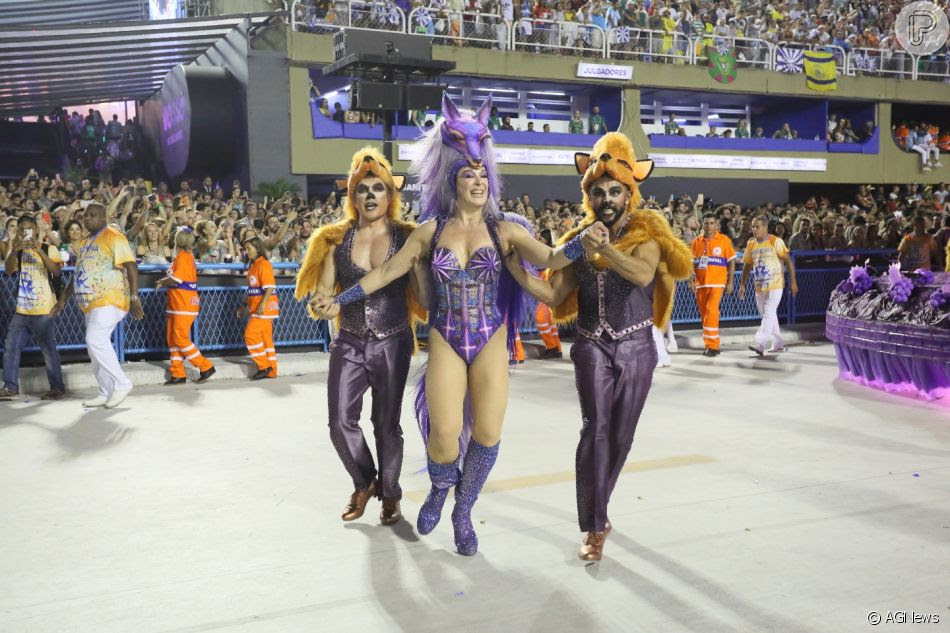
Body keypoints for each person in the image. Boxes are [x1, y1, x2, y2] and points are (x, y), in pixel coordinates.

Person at [314, 95, 590, 556]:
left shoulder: (507, 230)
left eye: (483, 174)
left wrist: (584, 241)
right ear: (452, 179)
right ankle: (441, 487)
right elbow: (383, 273)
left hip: (491, 337)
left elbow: (551, 258)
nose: (478, 180)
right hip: (445, 334)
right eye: (469, 174)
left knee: (487, 431)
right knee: (442, 433)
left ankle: (463, 507)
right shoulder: (430, 231)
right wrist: (337, 301)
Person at [502, 132, 692, 562]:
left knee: (621, 437)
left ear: (629, 193)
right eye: (598, 191)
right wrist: (514, 266)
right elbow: (552, 293)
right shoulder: (580, 237)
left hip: (638, 346)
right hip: (590, 345)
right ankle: (591, 525)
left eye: (614, 191)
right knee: (595, 431)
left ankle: (599, 508)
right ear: (588, 194)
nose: (606, 198)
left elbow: (643, 276)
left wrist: (606, 248)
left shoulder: (647, 230)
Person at [295, 147, 426, 527]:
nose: (370, 196)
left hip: (394, 340)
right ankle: (365, 481)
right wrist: (323, 303)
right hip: (349, 340)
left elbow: (423, 293)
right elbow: (324, 291)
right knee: (339, 422)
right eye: (362, 190)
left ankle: (391, 495)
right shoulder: (334, 240)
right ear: (352, 197)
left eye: (378, 189)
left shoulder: (408, 237)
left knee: (387, 425)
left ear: (390, 194)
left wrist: (420, 270)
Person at [51, 203, 144, 408]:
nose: (87, 219)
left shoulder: (114, 236)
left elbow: (131, 266)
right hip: (89, 302)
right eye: (85, 216)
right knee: (94, 349)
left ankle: (121, 383)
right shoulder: (85, 242)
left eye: (92, 215)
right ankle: (105, 391)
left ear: (103, 218)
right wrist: (63, 299)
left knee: (95, 339)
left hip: (110, 298)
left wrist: (135, 297)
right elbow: (78, 274)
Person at [0, 214, 66, 401]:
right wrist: (15, 250)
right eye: (22, 229)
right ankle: (10, 387)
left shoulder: (48, 247)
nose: (25, 232)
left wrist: (40, 250)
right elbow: (8, 270)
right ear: (19, 232)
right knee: (11, 346)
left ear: (36, 230)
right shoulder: (18, 251)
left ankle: (57, 387)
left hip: (44, 309)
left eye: (29, 228)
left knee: (48, 348)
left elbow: (56, 271)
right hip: (22, 308)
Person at [154, 227, 215, 385]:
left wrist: (162, 282)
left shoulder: (184, 257)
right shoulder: (181, 257)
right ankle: (178, 373)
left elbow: (177, 280)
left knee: (180, 338)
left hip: (184, 303)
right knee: (173, 339)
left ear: (178, 241)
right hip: (176, 304)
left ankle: (205, 366)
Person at [738, 216, 798, 357]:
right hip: (759, 286)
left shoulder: (776, 241)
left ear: (765, 228)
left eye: (757, 226)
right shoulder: (751, 244)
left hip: (775, 284)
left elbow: (788, 262)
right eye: (753, 226)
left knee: (769, 312)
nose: (754, 229)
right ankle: (778, 344)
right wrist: (742, 284)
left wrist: (793, 281)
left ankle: (759, 343)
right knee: (768, 315)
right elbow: (747, 265)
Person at [689, 213, 736, 357]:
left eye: (711, 223)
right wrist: (691, 281)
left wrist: (730, 282)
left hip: (717, 282)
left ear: (716, 225)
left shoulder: (724, 240)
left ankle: (713, 346)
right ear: (702, 225)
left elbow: (731, 262)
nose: (708, 226)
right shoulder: (696, 242)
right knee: (705, 315)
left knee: (712, 311)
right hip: (700, 284)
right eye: (706, 223)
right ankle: (710, 344)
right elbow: (691, 264)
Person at [240, 237, 279, 380]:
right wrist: (245, 305)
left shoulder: (263, 264)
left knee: (250, 335)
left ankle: (263, 366)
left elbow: (269, 287)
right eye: (245, 249)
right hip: (259, 307)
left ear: (258, 248)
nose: (246, 251)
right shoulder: (254, 266)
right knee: (266, 339)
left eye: (249, 248)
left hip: (264, 308)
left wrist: (262, 304)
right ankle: (272, 370)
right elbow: (252, 290)